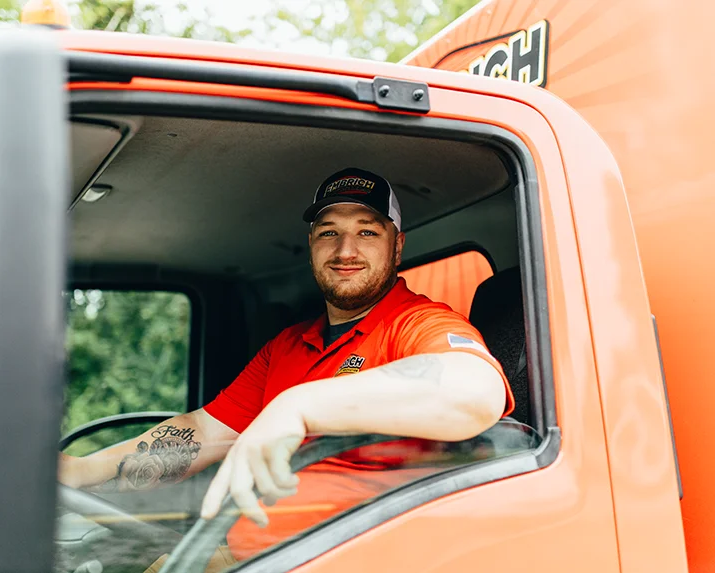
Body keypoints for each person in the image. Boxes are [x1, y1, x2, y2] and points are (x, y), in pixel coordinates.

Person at [59, 167, 514, 560]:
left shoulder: (418, 323)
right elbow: (204, 432)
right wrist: (82, 470)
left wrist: (298, 406)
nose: (345, 250)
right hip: (239, 551)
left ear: (397, 247)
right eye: (329, 232)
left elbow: (475, 392)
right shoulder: (289, 345)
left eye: (367, 231)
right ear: (312, 245)